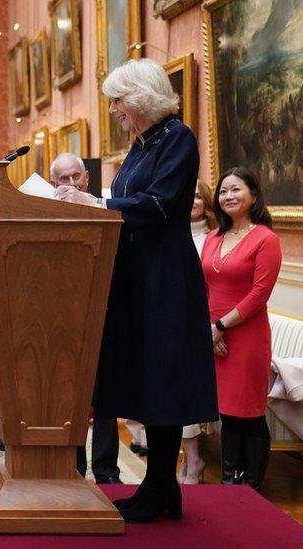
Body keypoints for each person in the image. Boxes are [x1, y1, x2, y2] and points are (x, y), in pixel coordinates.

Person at [56, 58, 217, 523]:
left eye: (117, 100)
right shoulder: (142, 145)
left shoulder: (178, 139)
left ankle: (161, 485)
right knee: (147, 378)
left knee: (164, 379)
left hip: (165, 279)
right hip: (135, 278)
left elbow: (161, 205)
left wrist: (96, 201)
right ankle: (161, 486)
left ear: (142, 96)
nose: (113, 110)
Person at [202, 167, 281, 490]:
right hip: (212, 333)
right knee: (226, 410)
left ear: (253, 195)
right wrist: (209, 330)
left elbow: (259, 294)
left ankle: (251, 484)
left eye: (236, 190)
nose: (228, 197)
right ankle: (228, 480)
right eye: (223, 191)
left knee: (248, 410)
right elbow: (203, 287)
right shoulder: (212, 236)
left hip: (246, 335)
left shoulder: (266, 238)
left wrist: (220, 326)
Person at [48, 154, 124, 484]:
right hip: (63, 315)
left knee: (105, 395)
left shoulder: (107, 208)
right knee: (69, 396)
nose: (70, 185)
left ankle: (106, 470)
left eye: (75, 177)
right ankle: (73, 468)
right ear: (52, 185)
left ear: (87, 179)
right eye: (62, 180)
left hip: (105, 310)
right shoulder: (43, 215)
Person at [179, 178, 219, 485]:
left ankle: (194, 461)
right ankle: (191, 457)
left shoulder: (217, 238)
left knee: (189, 393)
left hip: (210, 325)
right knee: (178, 395)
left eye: (197, 196)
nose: (192, 201)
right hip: (179, 324)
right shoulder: (174, 235)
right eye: (186, 196)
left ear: (206, 201)